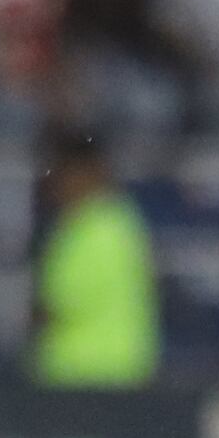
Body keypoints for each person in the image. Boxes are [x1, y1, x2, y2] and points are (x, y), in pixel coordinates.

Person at [28, 129, 157, 386]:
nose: (54, 181)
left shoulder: (93, 228)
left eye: (61, 171)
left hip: (88, 373)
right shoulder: (122, 220)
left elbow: (59, 302)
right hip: (119, 369)